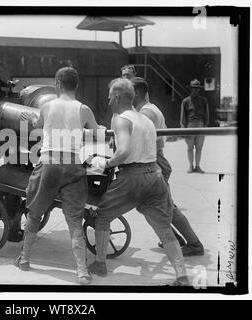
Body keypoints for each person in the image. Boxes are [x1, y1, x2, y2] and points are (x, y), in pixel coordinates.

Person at [87, 78, 189, 286]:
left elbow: (123, 151)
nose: (108, 102)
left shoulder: (121, 119)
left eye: (109, 98)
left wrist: (104, 164)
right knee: (163, 227)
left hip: (133, 176)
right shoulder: (146, 120)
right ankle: (182, 276)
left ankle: (100, 264)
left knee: (103, 214)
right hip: (155, 175)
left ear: (116, 97)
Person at [14, 67, 103, 285]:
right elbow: (98, 133)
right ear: (77, 85)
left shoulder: (47, 106)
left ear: (57, 83)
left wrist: (29, 118)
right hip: (73, 165)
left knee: (35, 213)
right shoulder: (84, 109)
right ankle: (82, 272)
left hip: (49, 164)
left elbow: (37, 125)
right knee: (74, 220)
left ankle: (24, 259)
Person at [132, 77, 204, 256]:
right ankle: (173, 238)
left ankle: (194, 244)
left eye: (127, 93)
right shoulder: (146, 109)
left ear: (137, 93)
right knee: (149, 206)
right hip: (153, 161)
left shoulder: (146, 113)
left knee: (166, 207)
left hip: (154, 161)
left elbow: (145, 144)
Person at [180, 79, 210, 173]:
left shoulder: (204, 101)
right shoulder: (185, 101)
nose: (195, 90)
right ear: (191, 89)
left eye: (197, 88)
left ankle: (197, 166)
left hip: (201, 125)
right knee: (190, 148)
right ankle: (190, 166)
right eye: (193, 88)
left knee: (199, 148)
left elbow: (206, 114)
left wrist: (205, 127)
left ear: (199, 89)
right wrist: (183, 130)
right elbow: (182, 117)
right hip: (190, 126)